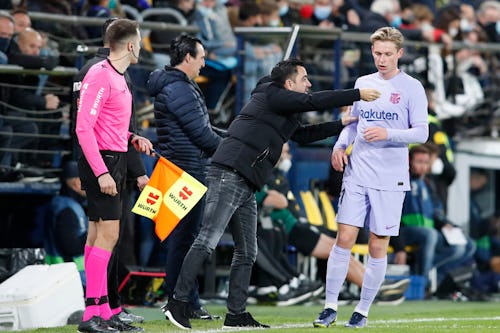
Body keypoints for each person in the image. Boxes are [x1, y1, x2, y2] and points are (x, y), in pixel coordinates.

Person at [163, 57, 381, 330]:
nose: (310, 84)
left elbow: (301, 135)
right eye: (304, 79)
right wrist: (356, 94)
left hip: (247, 179)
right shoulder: (272, 94)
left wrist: (341, 123)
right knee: (207, 239)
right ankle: (177, 303)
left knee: (247, 252)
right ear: (289, 83)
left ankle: (236, 315)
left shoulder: (283, 107)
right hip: (229, 172)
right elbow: (312, 102)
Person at [315, 27, 428, 328]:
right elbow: (352, 123)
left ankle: (362, 311)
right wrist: (340, 146)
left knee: (378, 246)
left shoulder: (411, 87)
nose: (382, 59)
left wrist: (387, 133)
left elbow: (421, 131)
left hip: (391, 179)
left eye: (388, 54)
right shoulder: (363, 83)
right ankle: (329, 307)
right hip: (358, 171)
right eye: (377, 53)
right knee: (345, 238)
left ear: (399, 54)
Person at [75, 18, 153, 333]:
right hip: (103, 163)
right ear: (132, 45)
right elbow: (83, 127)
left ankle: (104, 312)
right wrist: (102, 172)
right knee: (106, 236)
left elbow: (108, 123)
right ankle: (91, 316)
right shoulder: (100, 75)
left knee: (100, 236)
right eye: (140, 41)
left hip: (115, 157)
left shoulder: (118, 76)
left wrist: (132, 137)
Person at [147, 33, 225, 320]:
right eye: (201, 57)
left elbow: (203, 128)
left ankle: (187, 300)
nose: (204, 63)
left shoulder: (178, 86)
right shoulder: (179, 89)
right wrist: (233, 150)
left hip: (182, 169)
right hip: (185, 171)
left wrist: (231, 139)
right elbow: (202, 134)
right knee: (184, 239)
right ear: (188, 57)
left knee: (186, 238)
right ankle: (179, 301)